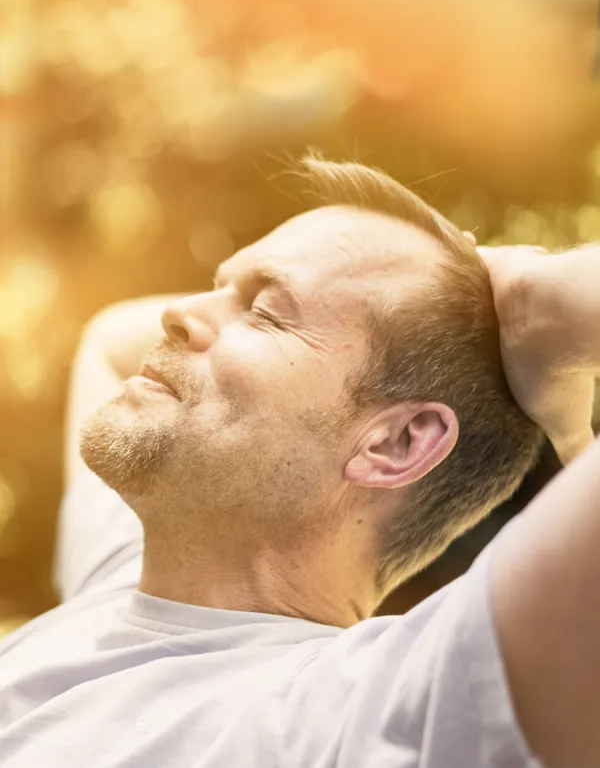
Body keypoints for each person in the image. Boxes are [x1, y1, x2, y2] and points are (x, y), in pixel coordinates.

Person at [0, 157, 597, 768]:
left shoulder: (364, 716)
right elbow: (108, 340)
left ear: (398, 443)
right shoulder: (121, 579)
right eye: (217, 286)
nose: (177, 313)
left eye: (265, 311)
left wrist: (530, 298)